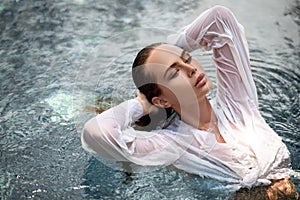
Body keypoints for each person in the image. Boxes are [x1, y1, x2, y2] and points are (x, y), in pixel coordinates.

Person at [81, 5, 298, 197]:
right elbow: (97, 133)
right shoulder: (172, 144)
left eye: (186, 59)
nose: (191, 69)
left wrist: (168, 49)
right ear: (162, 100)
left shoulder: (238, 102)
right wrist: (141, 103)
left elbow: (220, 19)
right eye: (175, 74)